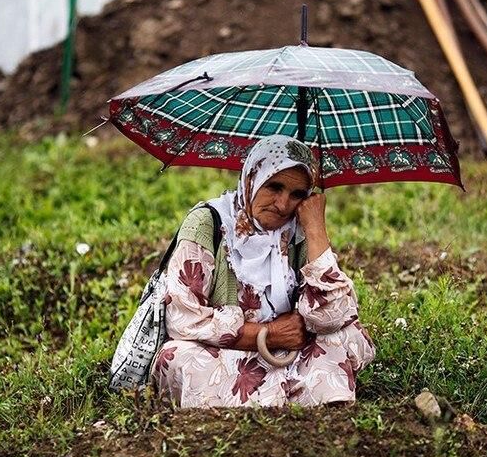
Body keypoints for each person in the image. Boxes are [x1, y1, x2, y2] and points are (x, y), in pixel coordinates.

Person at [152, 135, 375, 408]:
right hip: (224, 352)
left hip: (286, 353)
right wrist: (266, 334)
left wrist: (316, 229)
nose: (283, 205)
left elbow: (331, 317)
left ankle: (301, 413)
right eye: (274, 186)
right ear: (251, 180)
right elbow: (182, 318)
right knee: (179, 356)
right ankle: (282, 404)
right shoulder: (207, 223)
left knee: (343, 336)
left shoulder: (300, 230)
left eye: (297, 195)